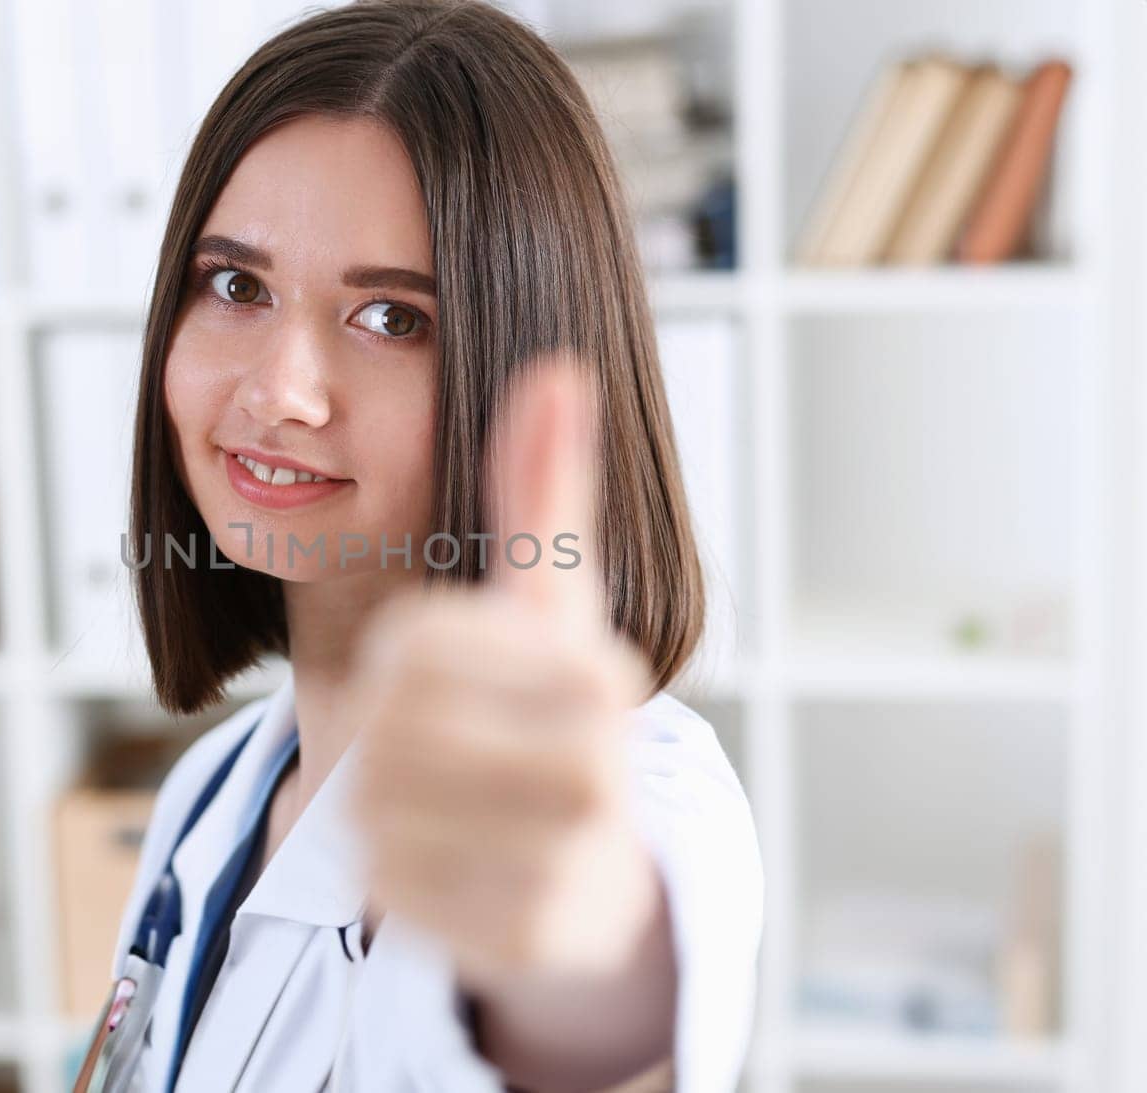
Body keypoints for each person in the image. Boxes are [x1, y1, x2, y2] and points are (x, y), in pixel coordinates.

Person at [83, 2, 763, 1090]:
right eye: (236, 286)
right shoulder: (212, 790)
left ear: (519, 364)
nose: (279, 393)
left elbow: (586, 1026)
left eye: (393, 319)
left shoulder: (636, 804)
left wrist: (568, 972)